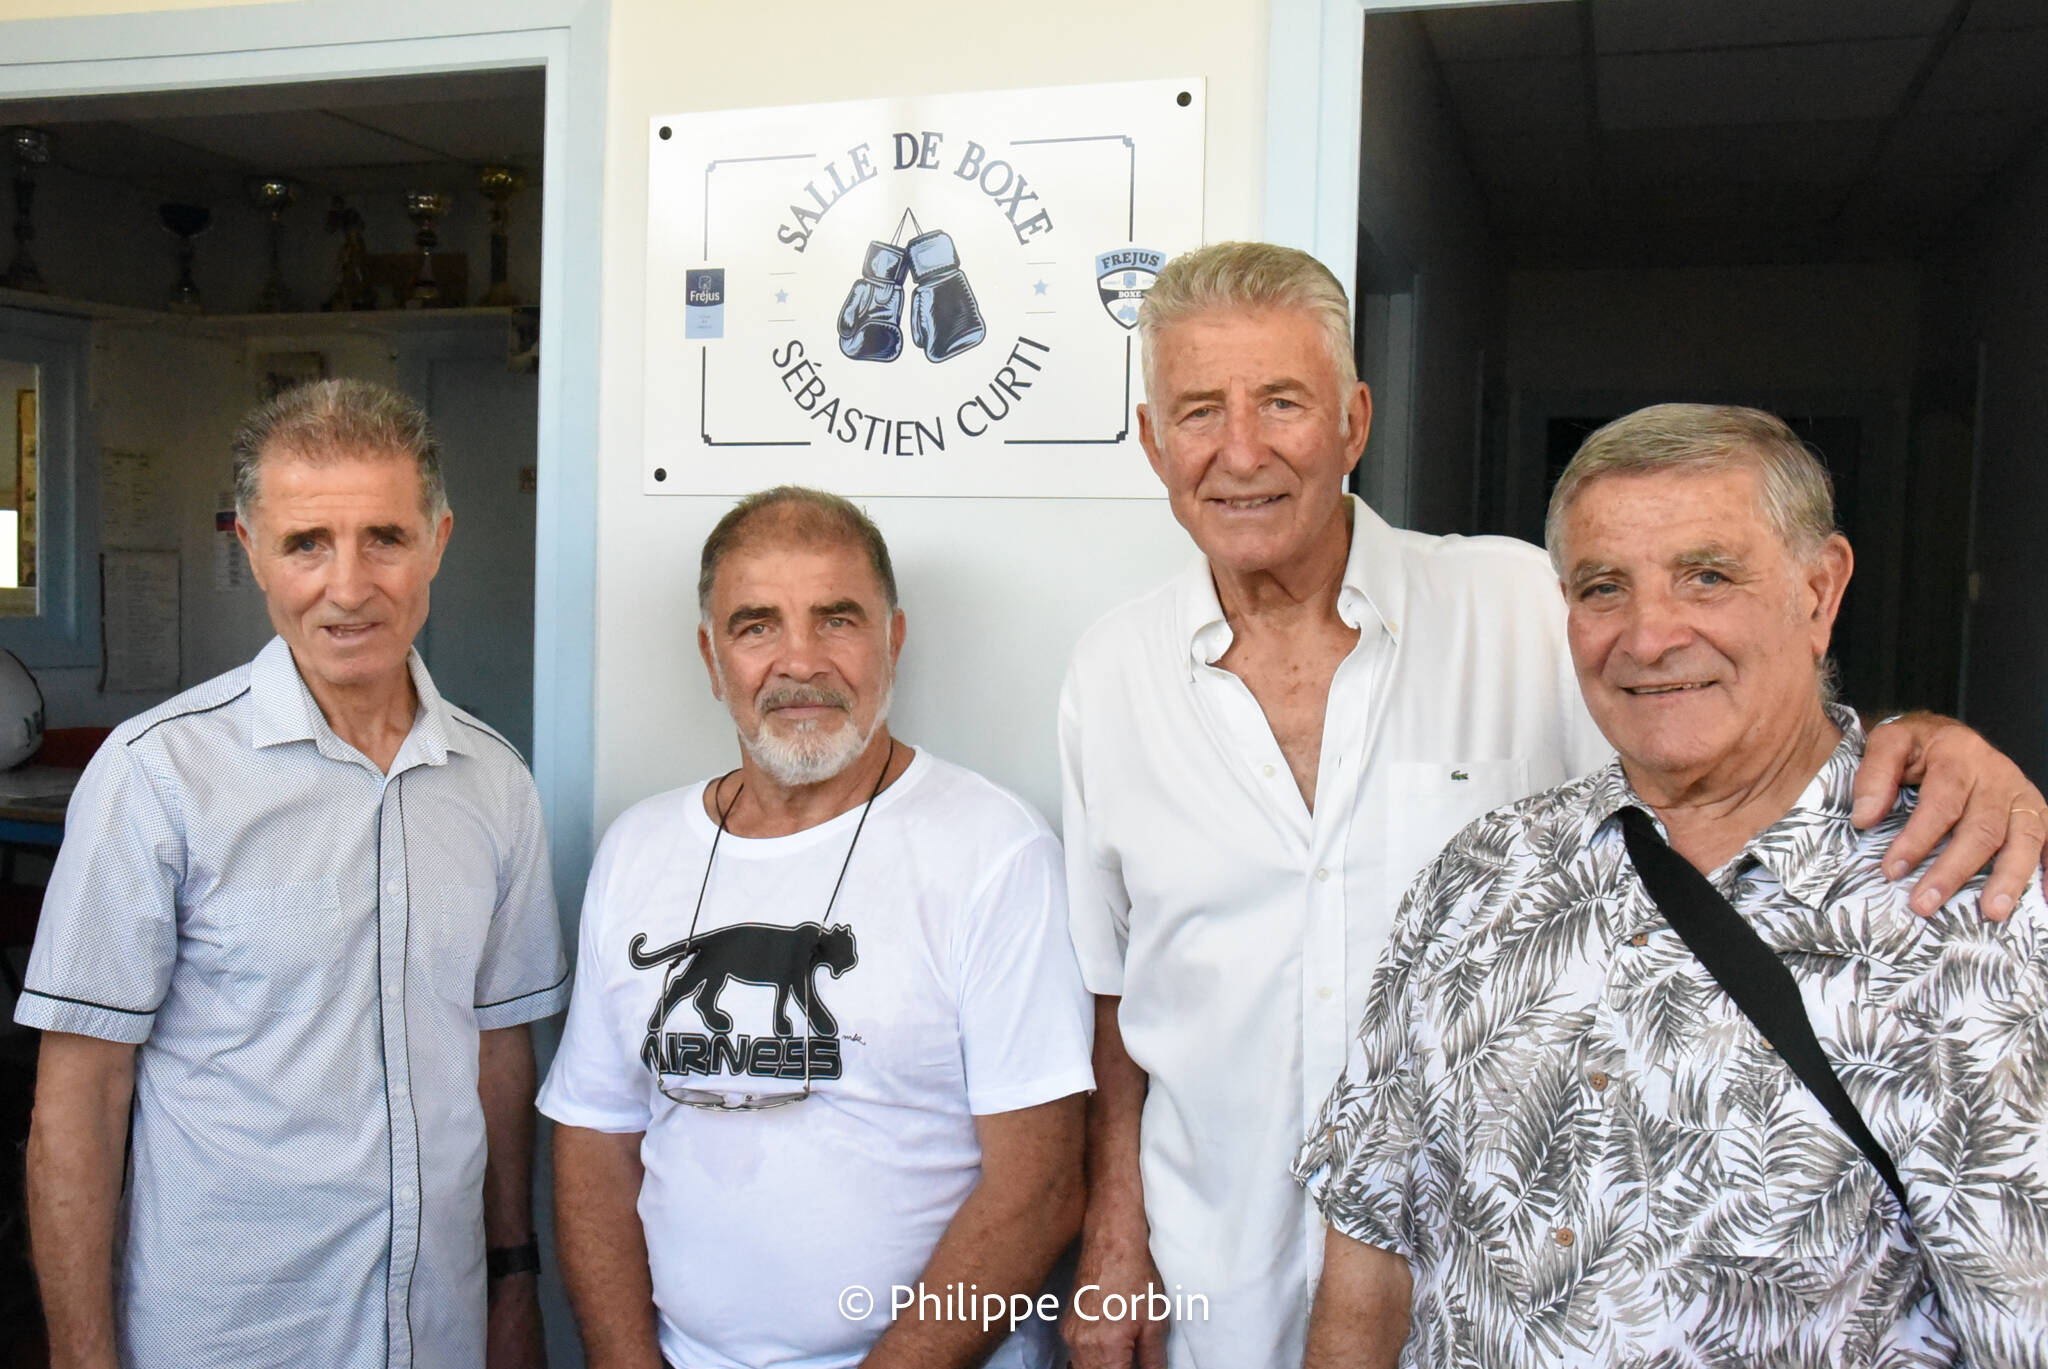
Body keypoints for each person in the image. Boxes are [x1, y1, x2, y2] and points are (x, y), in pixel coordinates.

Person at [1057, 243, 2048, 1369]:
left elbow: (1722, 730)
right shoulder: (1109, 672)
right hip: (1212, 1266)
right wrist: (1112, 1234)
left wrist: (1933, 746)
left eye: (1281, 401)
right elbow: (1114, 981)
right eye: (1198, 411)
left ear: (1352, 422)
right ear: (1151, 442)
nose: (1240, 450)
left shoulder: (1519, 599)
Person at [1296, 402, 2048, 1366]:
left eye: (1708, 575)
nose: (1650, 637)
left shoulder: (1972, 920)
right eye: (1605, 587)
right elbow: (1371, 1255)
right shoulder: (1481, 877)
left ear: (1819, 592)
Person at [18, 378, 568, 1368]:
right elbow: (81, 1092)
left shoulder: (495, 782)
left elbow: (497, 1050)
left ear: (438, 539)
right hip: (225, 1333)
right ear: (252, 551)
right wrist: (78, 1351)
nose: (348, 586)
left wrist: (514, 1277)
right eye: (307, 542)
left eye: (384, 539)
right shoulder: (159, 776)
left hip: (436, 1329)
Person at [541, 486, 1092, 1369]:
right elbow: (593, 1143)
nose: (800, 662)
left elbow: (1042, 1185)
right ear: (711, 659)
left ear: (892, 641)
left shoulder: (996, 850)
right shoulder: (637, 848)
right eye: (757, 626)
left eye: (837, 620)